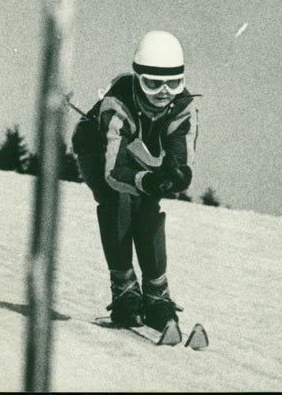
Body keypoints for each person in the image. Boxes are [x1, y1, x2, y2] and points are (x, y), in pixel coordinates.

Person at [71, 30, 199, 330]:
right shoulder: (117, 105)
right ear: (138, 78)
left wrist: (175, 175)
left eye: (173, 83)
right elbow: (114, 173)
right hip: (98, 150)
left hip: (143, 150)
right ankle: (125, 291)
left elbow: (183, 159)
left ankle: (156, 294)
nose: (164, 93)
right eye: (153, 84)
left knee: (148, 210)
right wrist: (146, 180)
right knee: (118, 203)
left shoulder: (184, 107)